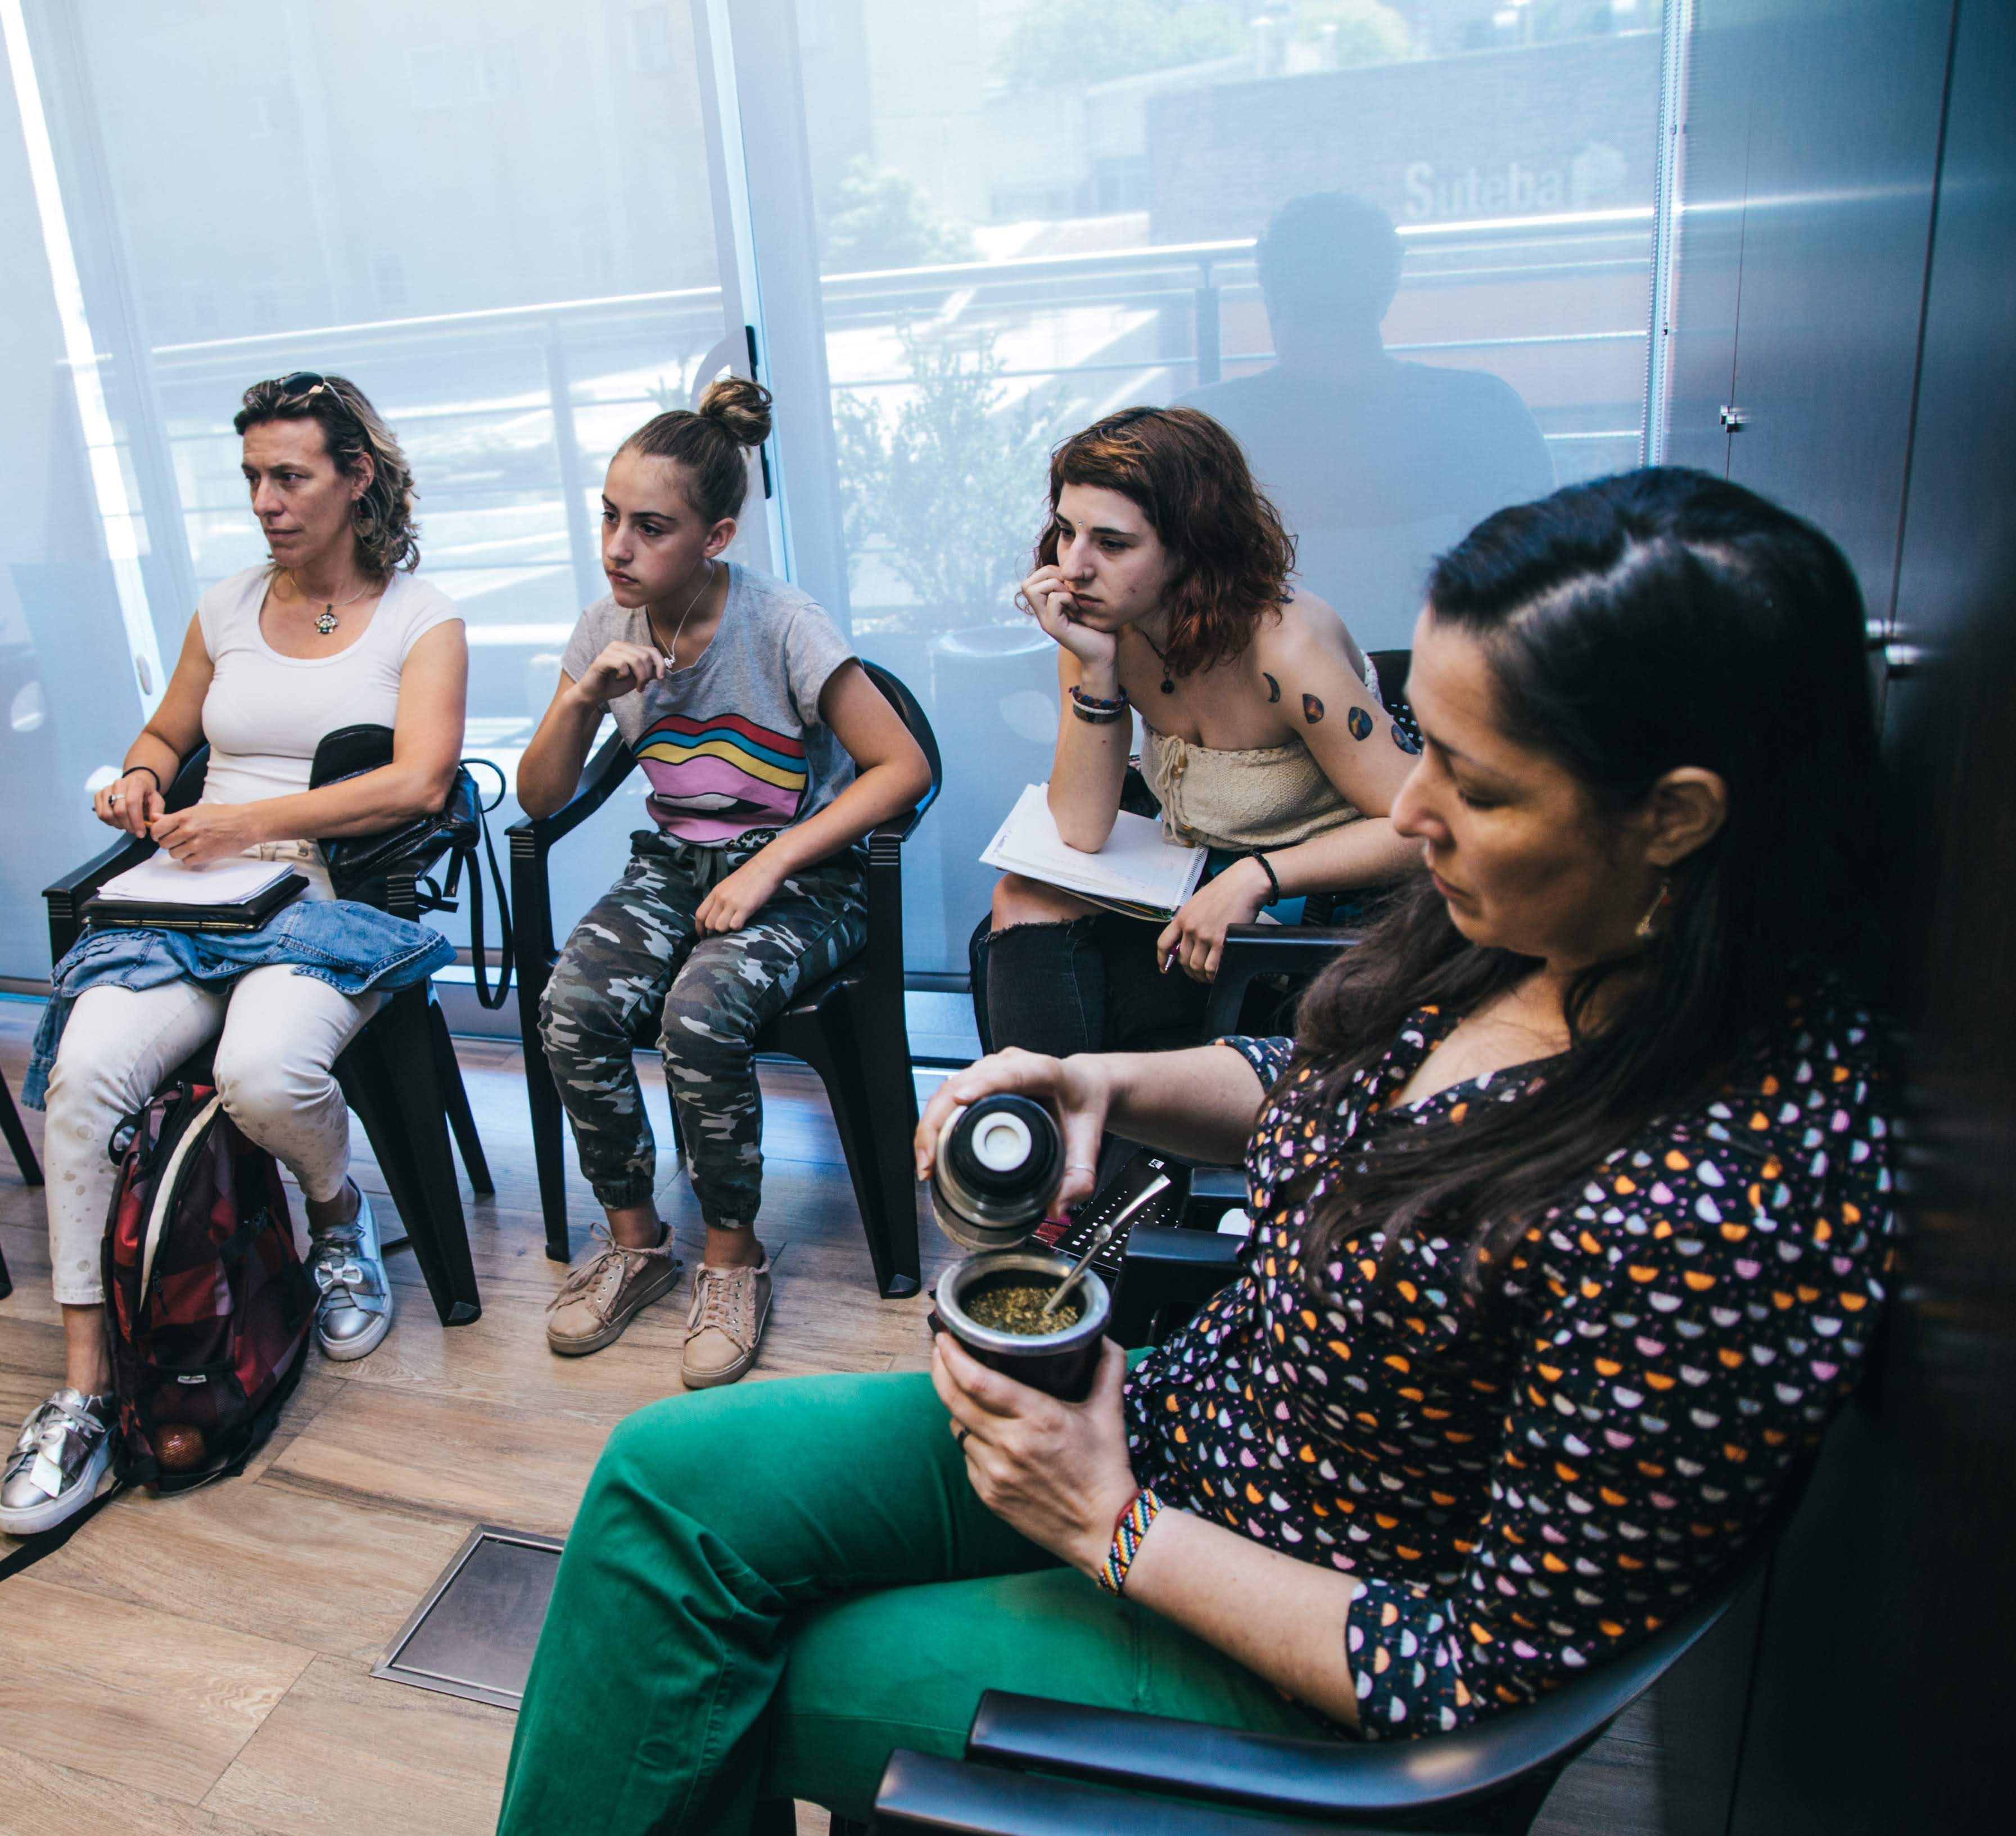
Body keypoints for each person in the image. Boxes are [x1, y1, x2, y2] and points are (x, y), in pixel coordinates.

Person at [497, 467, 1897, 1831]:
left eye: (1472, 783)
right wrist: (1097, 1078)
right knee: (664, 1487)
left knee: (742, 1666)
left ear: (1674, 816)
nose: (1408, 809)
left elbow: (1481, 1676)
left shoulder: (1725, 1203)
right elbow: (1320, 1082)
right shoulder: (1521, 936)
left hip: (1280, 1636)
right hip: (1174, 1428)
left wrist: (1109, 1523)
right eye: (1422, 743)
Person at [0, 372, 467, 1534]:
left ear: (356, 478)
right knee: (82, 1079)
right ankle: (81, 1391)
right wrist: (144, 776)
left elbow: (421, 782)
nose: (264, 501)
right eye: (252, 477)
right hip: (193, 893)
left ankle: (337, 1216)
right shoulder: (223, 607)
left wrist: (249, 821)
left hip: (324, 895)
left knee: (263, 1075)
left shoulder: (421, 619)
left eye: (289, 476)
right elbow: (168, 730)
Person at [517, 376, 932, 1390]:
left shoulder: (781, 623)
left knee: (699, 1015)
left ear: (716, 538)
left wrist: (771, 862)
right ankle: (637, 1244)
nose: (617, 547)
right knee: (570, 1006)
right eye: (608, 518)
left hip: (805, 878)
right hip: (673, 869)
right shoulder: (604, 626)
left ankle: (734, 1259)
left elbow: (901, 767)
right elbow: (539, 797)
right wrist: (581, 699)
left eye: (649, 527)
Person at [973, 405, 1422, 1063]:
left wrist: (1257, 876)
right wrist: (1095, 668)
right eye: (1066, 532)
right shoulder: (1102, 630)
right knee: (1019, 901)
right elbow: (1081, 828)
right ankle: (1045, 1117)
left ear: (1193, 546)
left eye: (1112, 544)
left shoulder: (1285, 651)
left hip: (1327, 922)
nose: (1072, 567)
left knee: (1060, 994)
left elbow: (1426, 828)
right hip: (1201, 885)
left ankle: (1055, 1114)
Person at [1180, 191, 1555, 652]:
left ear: (1273, 298)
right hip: (1444, 683)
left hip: (1267, 688)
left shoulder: (1202, 431)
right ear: (1385, 295)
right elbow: (1538, 588)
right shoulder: (1487, 411)